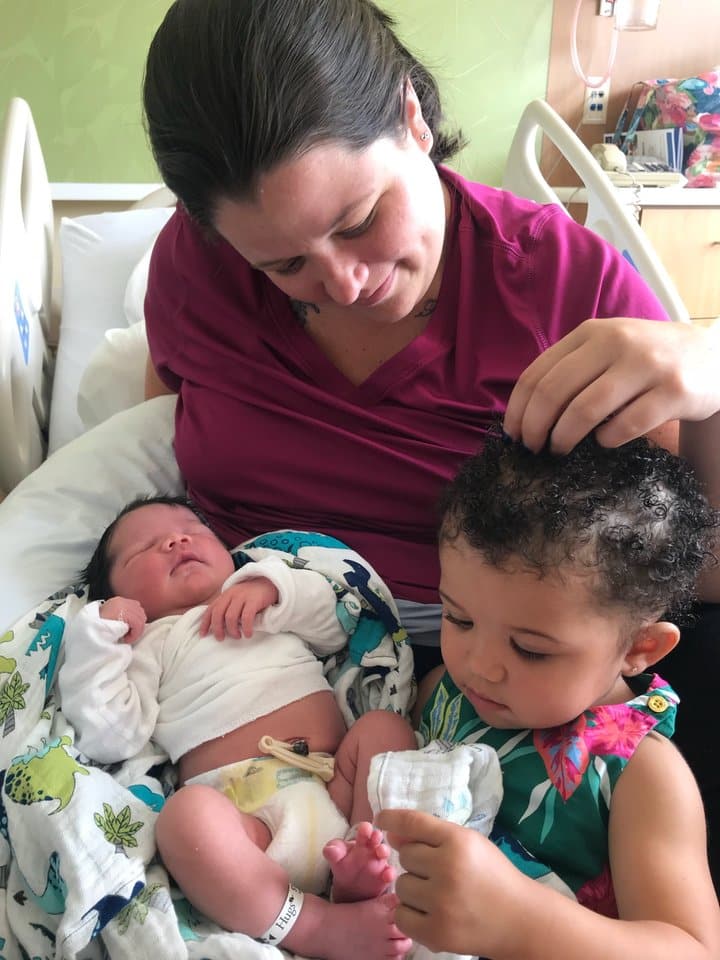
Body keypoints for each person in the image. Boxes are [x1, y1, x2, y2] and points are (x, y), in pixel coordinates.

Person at [140, 0, 720, 884]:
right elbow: (165, 412)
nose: (343, 284)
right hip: (250, 652)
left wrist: (711, 373)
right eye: (284, 266)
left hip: (509, 675)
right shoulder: (195, 269)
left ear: (414, 116)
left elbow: (693, 571)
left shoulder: (570, 288)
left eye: (359, 219)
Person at [376, 431, 720, 959]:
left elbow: (691, 950)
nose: (480, 667)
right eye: (459, 618)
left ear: (640, 648)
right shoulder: (445, 689)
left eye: (531, 651)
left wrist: (521, 921)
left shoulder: (642, 775)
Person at [58, 495, 416, 960]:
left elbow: (336, 624)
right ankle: (314, 925)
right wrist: (100, 639)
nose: (176, 539)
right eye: (145, 547)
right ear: (116, 593)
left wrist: (274, 590)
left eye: (192, 527)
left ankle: (368, 860)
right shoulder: (149, 646)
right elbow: (110, 734)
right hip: (245, 823)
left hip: (336, 785)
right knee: (184, 820)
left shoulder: (259, 596)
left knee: (384, 730)